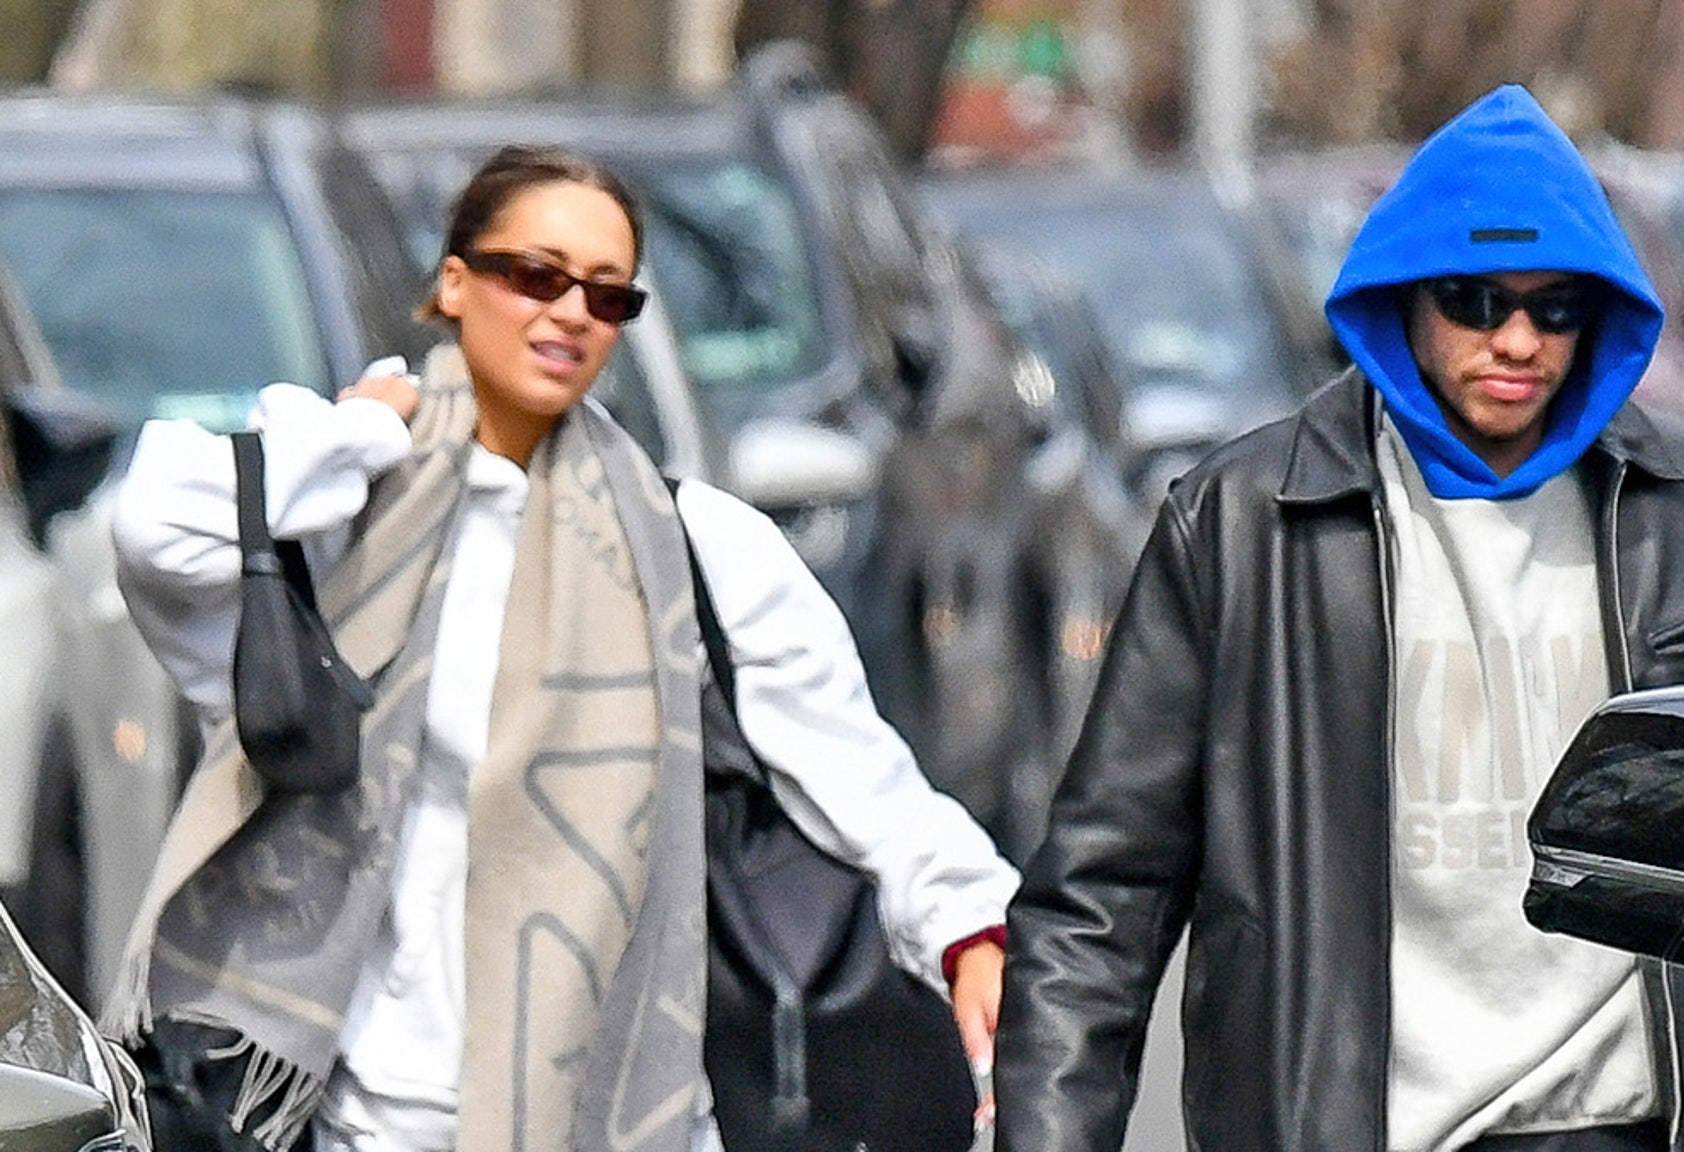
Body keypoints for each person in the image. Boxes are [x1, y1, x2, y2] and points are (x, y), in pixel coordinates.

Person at [105, 144, 1015, 1152]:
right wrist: (360, 432)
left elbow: (860, 780)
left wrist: (972, 930)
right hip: (371, 1122)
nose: (571, 311)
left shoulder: (690, 548)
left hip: (632, 1119)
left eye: (608, 294)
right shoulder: (338, 522)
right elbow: (158, 528)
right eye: (536, 275)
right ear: (453, 281)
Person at [994, 85, 1684, 1152]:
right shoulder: (1241, 525)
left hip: (1618, 1129)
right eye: (1473, 300)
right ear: (1406, 300)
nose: (1515, 340)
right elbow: (1101, 895)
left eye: (1553, 306)